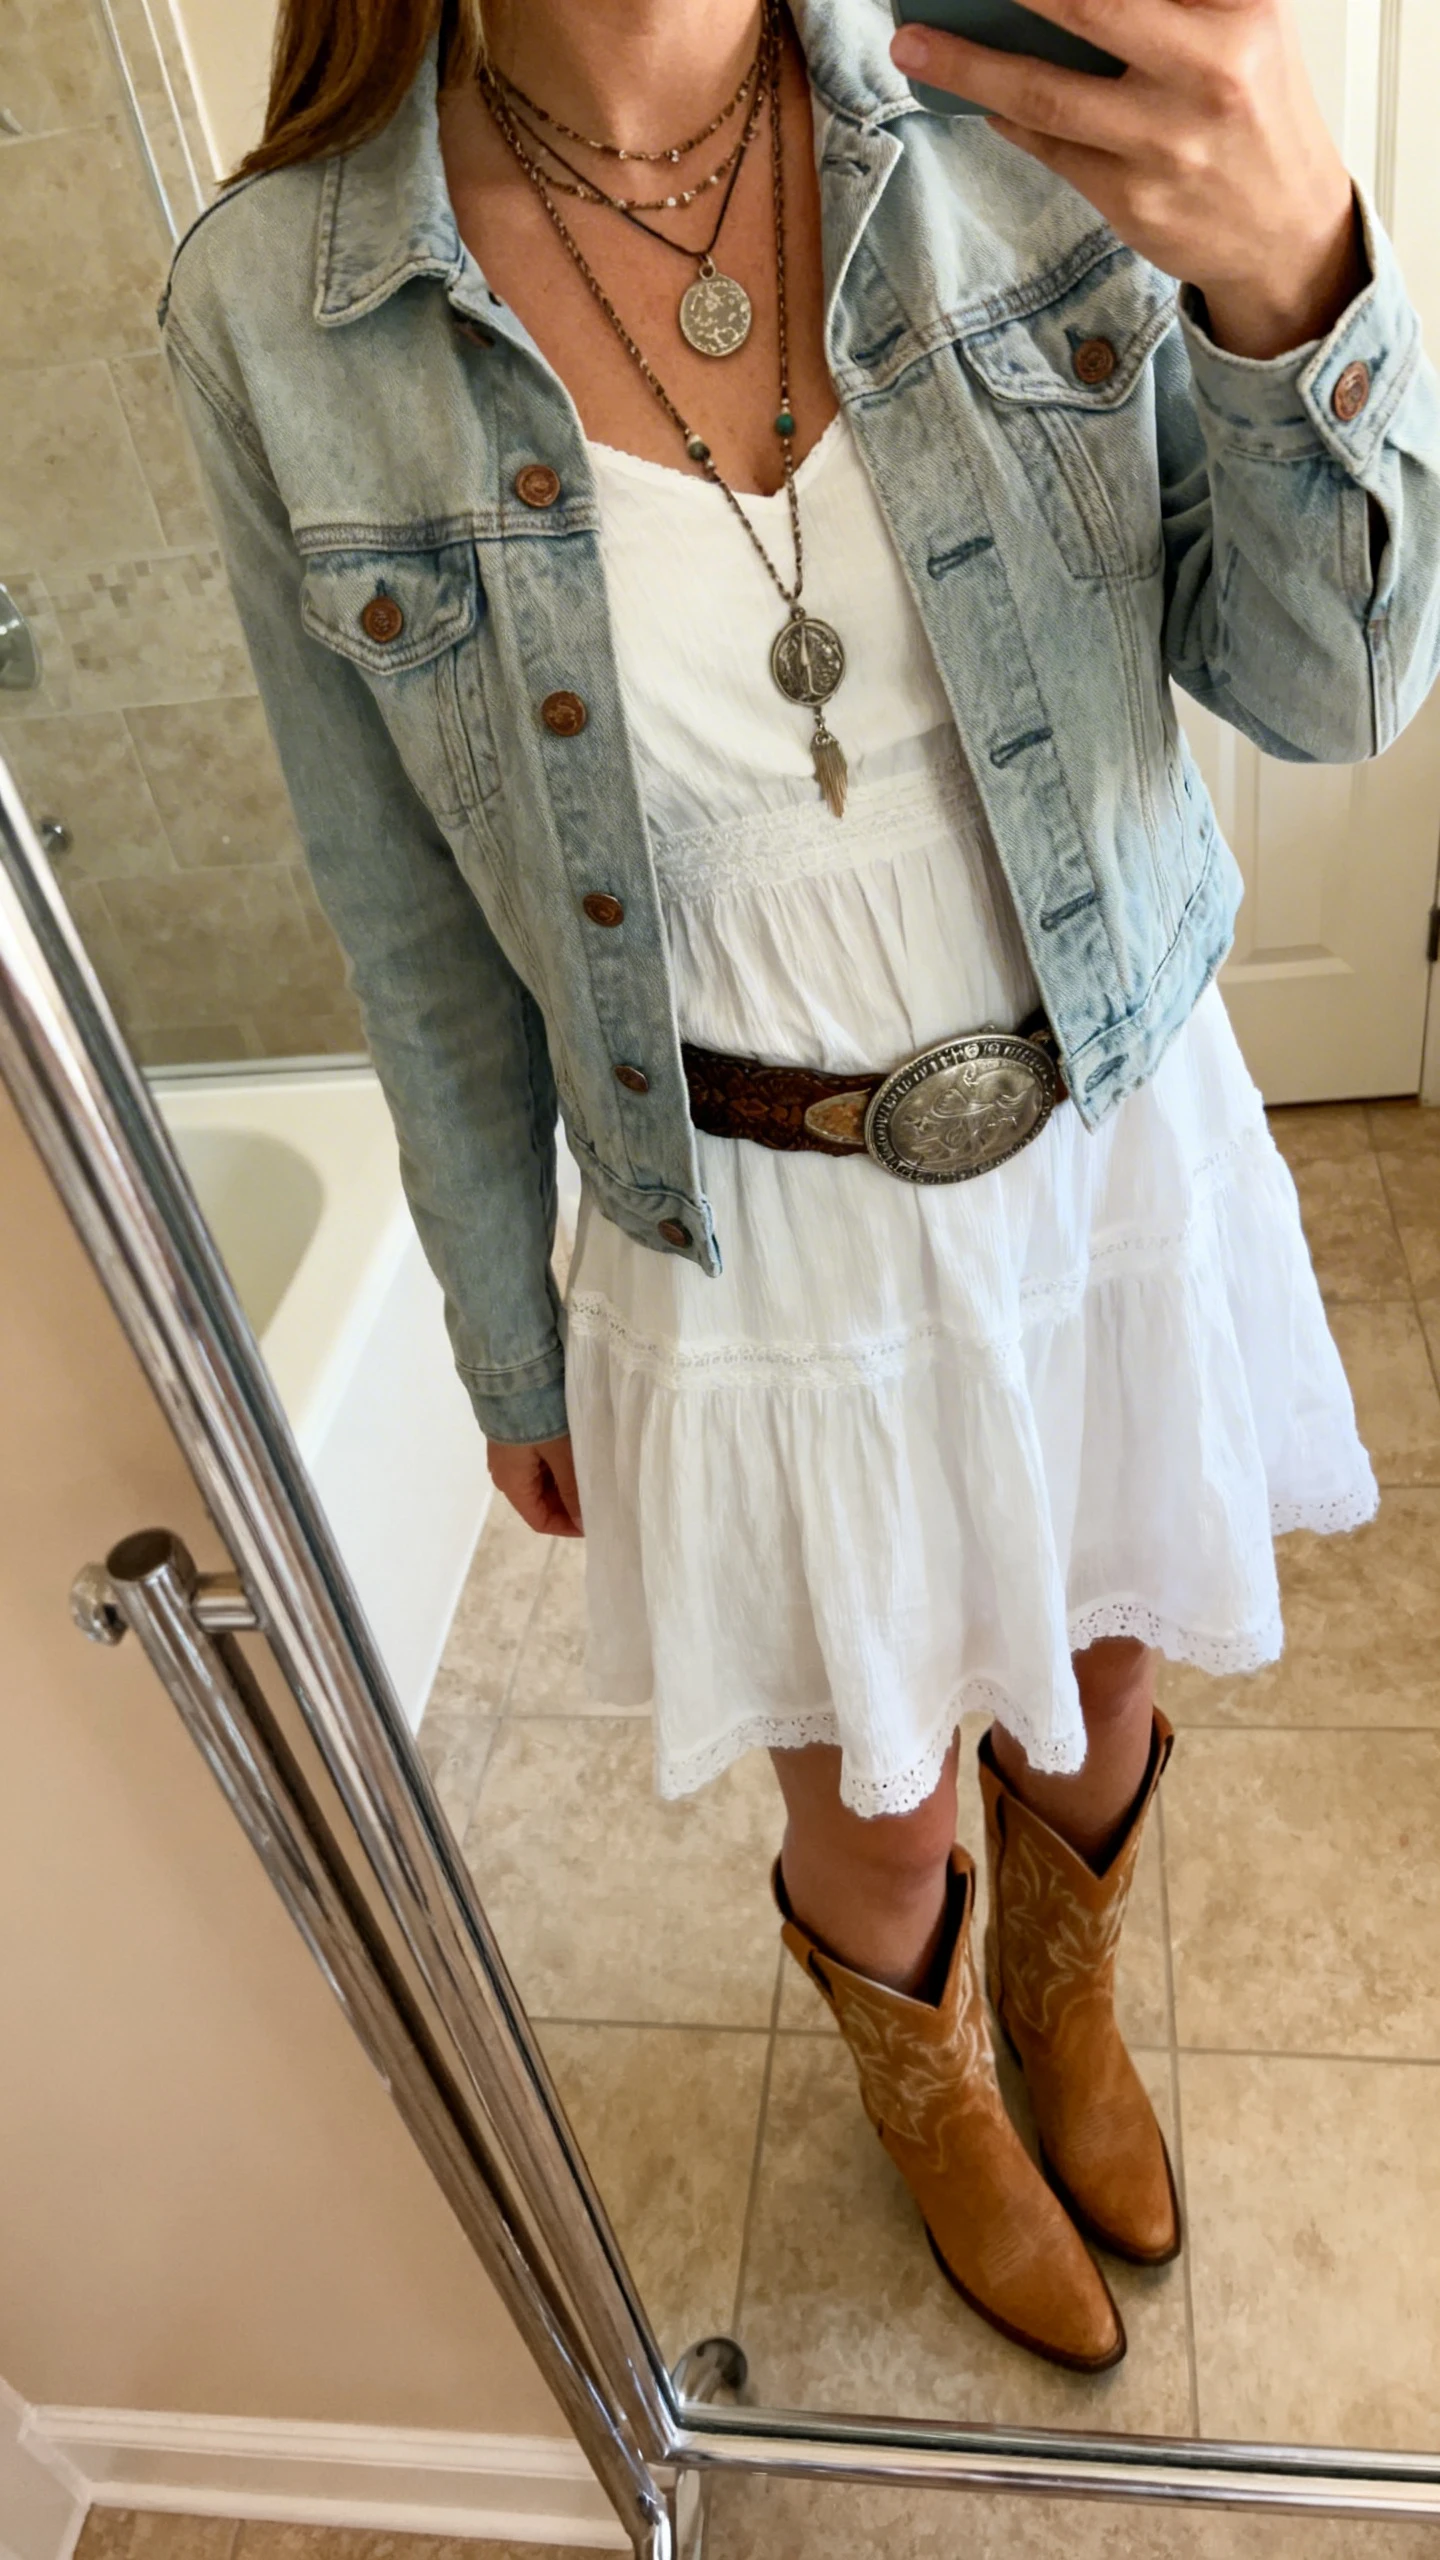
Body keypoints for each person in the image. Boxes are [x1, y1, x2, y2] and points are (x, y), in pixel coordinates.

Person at [160, 0, 1440, 2371]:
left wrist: (1309, 296)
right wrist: (496, 1316)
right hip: (751, 1219)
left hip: (1104, 1135)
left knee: (1103, 1666)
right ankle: (937, 2096)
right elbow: (405, 909)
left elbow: (1324, 689)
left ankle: (1070, 2013)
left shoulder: (1018, 106)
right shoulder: (283, 305)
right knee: (873, 1789)